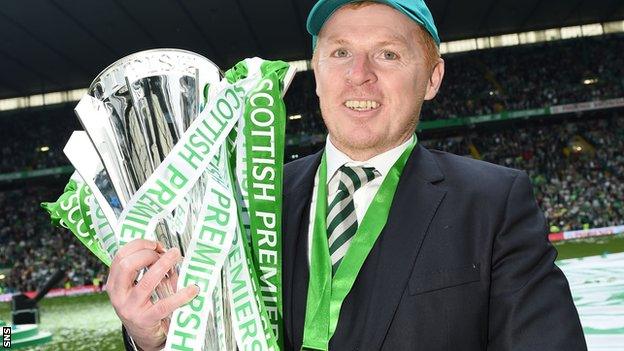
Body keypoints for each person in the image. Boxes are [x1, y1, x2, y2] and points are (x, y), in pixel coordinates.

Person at [108, 0, 587, 350]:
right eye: (339, 53)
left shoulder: (494, 202)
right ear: (316, 71)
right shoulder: (245, 199)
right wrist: (150, 338)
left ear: (433, 78)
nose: (359, 74)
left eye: (388, 54)